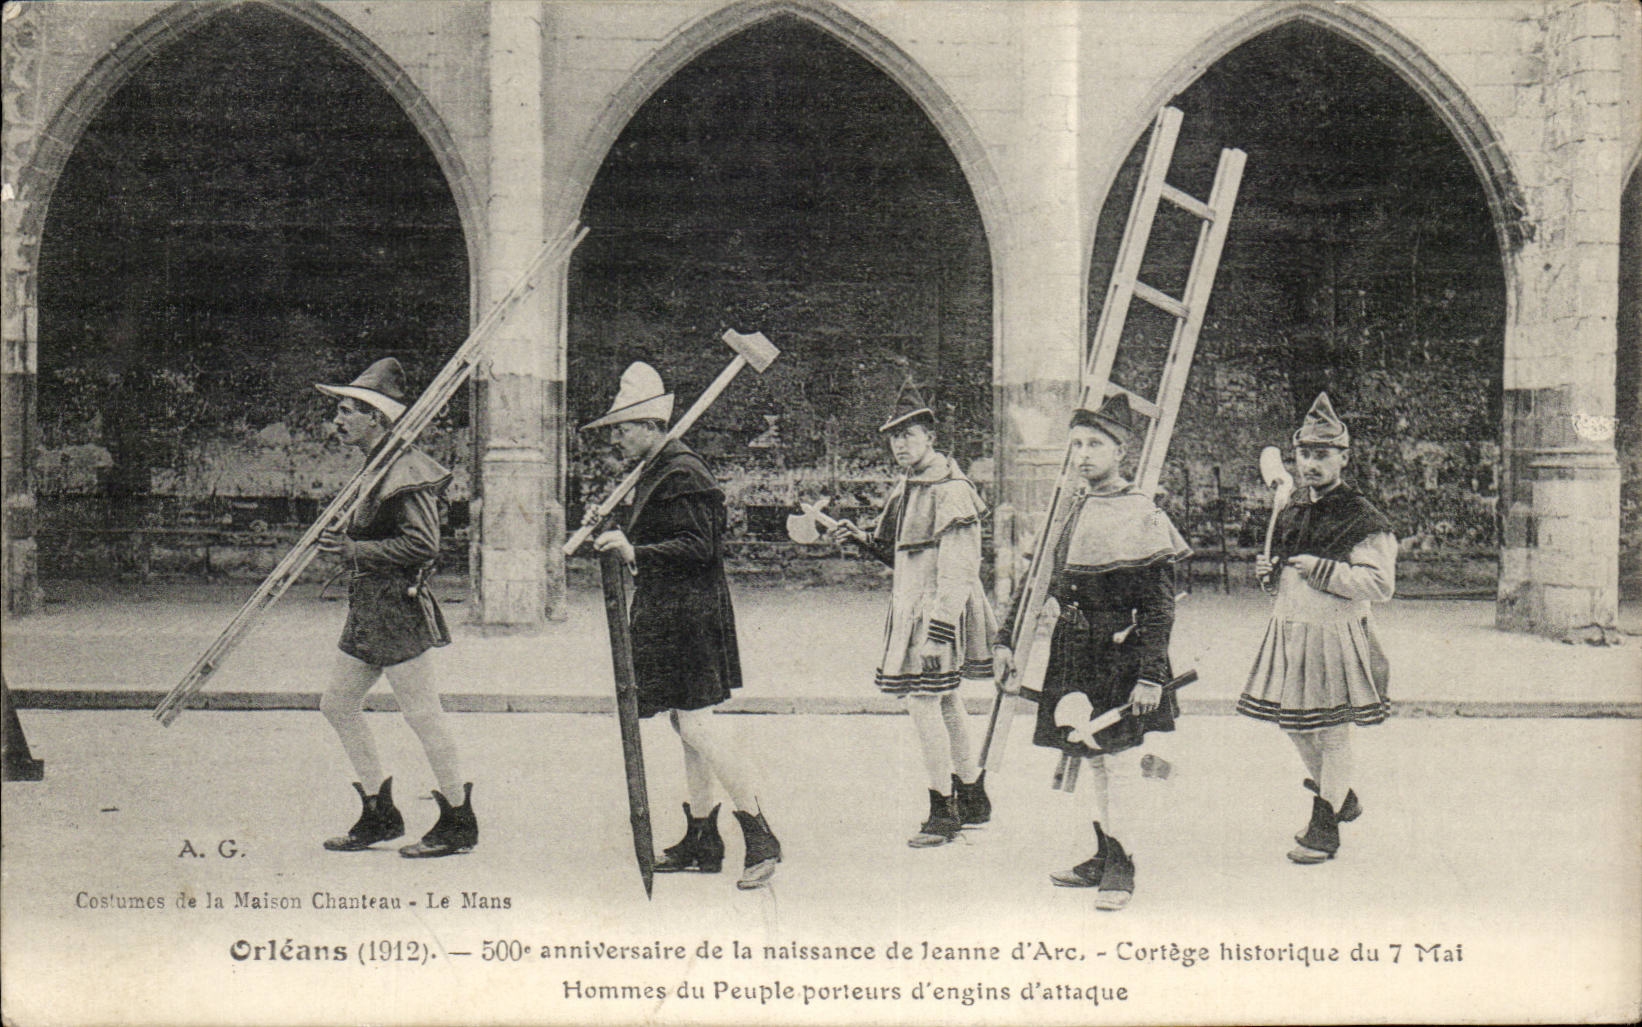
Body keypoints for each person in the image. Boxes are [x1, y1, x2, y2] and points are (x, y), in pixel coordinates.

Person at [582, 361, 781, 890]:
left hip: (690, 615)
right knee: (684, 723)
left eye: (624, 428)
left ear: (651, 426)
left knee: (697, 724)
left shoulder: (684, 472)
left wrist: (633, 549)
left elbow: (700, 548)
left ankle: (760, 834)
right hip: (671, 613)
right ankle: (702, 838)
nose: (618, 438)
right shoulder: (658, 470)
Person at [993, 395, 1189, 910]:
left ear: (1120, 452)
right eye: (1075, 443)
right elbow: (1036, 583)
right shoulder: (1070, 508)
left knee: (1119, 760)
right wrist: (1004, 642)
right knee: (1092, 757)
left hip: (1122, 655)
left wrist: (1150, 676)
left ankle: (1122, 865)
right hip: (1074, 650)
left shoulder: (1142, 514)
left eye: (1094, 444)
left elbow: (1159, 608)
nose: (1082, 454)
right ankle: (1103, 853)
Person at [313, 357, 476, 858]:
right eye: (339, 410)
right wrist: (345, 541)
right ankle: (380, 813)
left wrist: (353, 551)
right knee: (337, 705)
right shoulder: (376, 466)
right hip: (369, 607)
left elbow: (423, 545)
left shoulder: (406, 470)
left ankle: (457, 820)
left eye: (348, 412)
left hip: (398, 609)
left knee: (424, 715)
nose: (338, 420)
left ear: (376, 419)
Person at [829, 382, 998, 847]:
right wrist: (860, 538)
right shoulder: (909, 486)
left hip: (939, 611)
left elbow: (960, 571)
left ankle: (943, 810)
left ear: (930, 437)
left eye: (910, 434)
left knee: (923, 702)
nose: (901, 444)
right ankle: (973, 794)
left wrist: (939, 633)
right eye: (894, 437)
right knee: (944, 699)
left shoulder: (952, 490)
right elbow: (898, 552)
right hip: (915, 606)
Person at [1237, 392, 1394, 865]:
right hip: (1291, 632)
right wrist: (1271, 574)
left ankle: (1325, 826)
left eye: (1322, 454)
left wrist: (1321, 569)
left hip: (1336, 635)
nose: (1311, 464)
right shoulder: (1293, 509)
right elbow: (1285, 577)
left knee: (1332, 731)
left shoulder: (1362, 516)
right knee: (1294, 725)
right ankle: (1342, 796)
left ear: (1344, 458)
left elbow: (1380, 583)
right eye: (1304, 454)